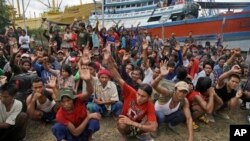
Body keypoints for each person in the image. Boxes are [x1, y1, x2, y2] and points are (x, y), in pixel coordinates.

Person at [104, 50, 157, 141]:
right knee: (122, 123)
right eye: (138, 94)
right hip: (125, 119)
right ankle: (124, 134)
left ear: (148, 97)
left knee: (149, 123)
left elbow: (154, 127)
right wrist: (109, 62)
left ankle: (141, 134)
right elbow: (117, 78)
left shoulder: (149, 104)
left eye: (143, 96)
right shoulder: (131, 92)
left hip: (137, 123)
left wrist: (133, 123)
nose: (139, 98)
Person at [52, 64, 101, 141]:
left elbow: (89, 92)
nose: (66, 104)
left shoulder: (78, 99)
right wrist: (88, 117)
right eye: (63, 102)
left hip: (84, 130)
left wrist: (87, 81)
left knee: (94, 121)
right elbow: (75, 132)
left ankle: (89, 138)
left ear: (73, 99)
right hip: (72, 135)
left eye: (68, 100)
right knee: (57, 127)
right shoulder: (60, 114)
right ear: (60, 103)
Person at [151, 61, 193, 141]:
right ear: (175, 90)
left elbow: (189, 119)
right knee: (161, 116)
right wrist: (161, 75)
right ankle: (155, 127)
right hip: (155, 113)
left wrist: (190, 138)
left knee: (182, 115)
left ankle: (170, 125)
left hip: (168, 115)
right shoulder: (167, 93)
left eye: (185, 92)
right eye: (180, 91)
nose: (182, 94)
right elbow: (154, 85)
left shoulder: (184, 101)